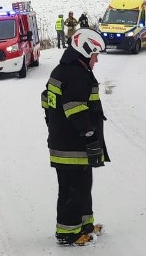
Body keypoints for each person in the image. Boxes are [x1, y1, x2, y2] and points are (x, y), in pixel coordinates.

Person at [41, 28, 110, 245]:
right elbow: (75, 110)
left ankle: (85, 225)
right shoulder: (76, 74)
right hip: (72, 145)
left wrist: (53, 123)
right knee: (72, 189)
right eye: (95, 55)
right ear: (85, 51)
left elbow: (46, 99)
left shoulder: (64, 71)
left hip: (68, 142)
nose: (97, 60)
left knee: (82, 185)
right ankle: (68, 233)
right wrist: (89, 135)